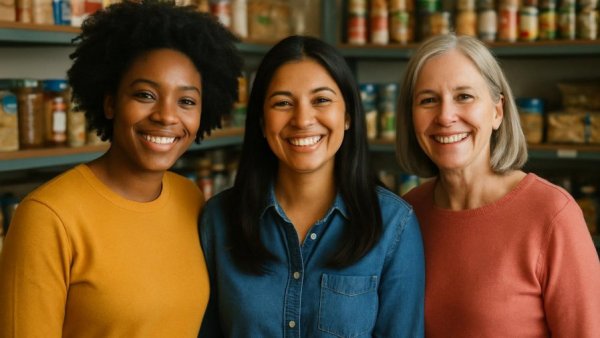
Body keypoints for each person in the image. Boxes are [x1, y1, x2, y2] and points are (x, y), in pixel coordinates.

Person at [0, 1, 242, 337]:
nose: (166, 116)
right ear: (110, 102)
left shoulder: (190, 197)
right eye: (145, 94)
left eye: (186, 101)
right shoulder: (48, 217)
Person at [198, 35, 425, 337]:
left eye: (321, 100)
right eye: (283, 103)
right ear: (263, 123)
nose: (303, 119)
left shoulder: (394, 224)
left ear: (347, 116)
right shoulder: (218, 219)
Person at [397, 33, 600, 337]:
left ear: (497, 111)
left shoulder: (552, 215)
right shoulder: (406, 214)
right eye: (428, 100)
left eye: (464, 96)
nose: (446, 116)